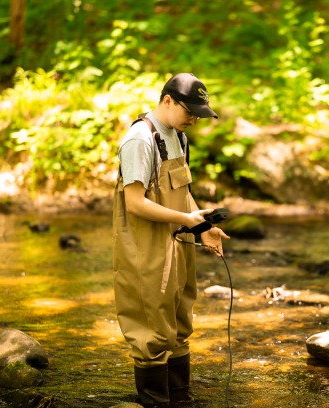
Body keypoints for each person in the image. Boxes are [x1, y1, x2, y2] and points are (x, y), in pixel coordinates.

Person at [113, 72, 229, 407]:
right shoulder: (140, 139)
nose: (194, 120)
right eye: (190, 112)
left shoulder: (179, 137)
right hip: (144, 248)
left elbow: (184, 194)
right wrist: (184, 220)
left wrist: (203, 227)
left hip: (177, 244)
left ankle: (180, 400)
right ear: (167, 101)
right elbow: (134, 203)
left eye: (198, 114)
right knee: (151, 328)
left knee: (179, 322)